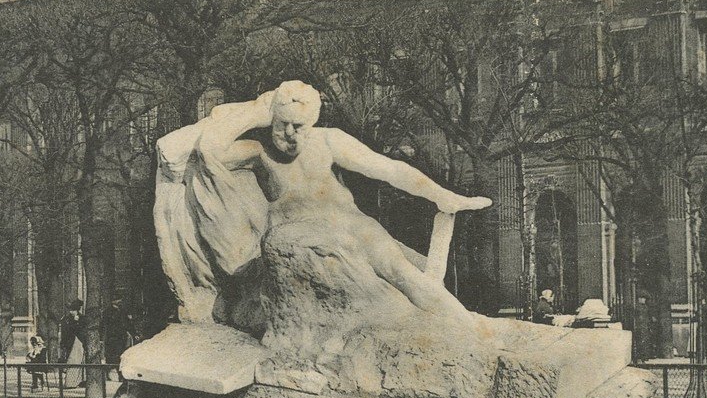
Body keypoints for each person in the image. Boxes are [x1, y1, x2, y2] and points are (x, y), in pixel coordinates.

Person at [169, 80, 493, 337]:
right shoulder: (259, 152)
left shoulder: (327, 141)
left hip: (352, 227)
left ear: (312, 123)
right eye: (283, 124)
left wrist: (440, 195)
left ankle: (473, 334)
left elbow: (388, 169)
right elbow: (209, 150)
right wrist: (257, 112)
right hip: (304, 244)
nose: (291, 134)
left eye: (300, 126)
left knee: (406, 275)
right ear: (272, 119)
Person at [103, 298, 133, 380]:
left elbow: (127, 324)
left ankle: (120, 375)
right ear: (113, 301)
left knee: (120, 356)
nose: (120, 301)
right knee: (110, 357)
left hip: (121, 338)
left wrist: (131, 332)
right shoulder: (107, 312)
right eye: (117, 300)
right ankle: (107, 375)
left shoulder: (122, 311)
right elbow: (105, 325)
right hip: (112, 338)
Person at [59, 299, 85, 388]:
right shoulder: (66, 319)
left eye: (73, 310)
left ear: (77, 310)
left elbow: (82, 330)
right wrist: (63, 343)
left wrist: (77, 322)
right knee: (71, 361)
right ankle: (70, 382)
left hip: (79, 342)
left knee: (80, 361)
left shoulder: (82, 318)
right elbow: (65, 331)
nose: (71, 312)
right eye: (70, 310)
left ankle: (81, 381)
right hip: (70, 342)